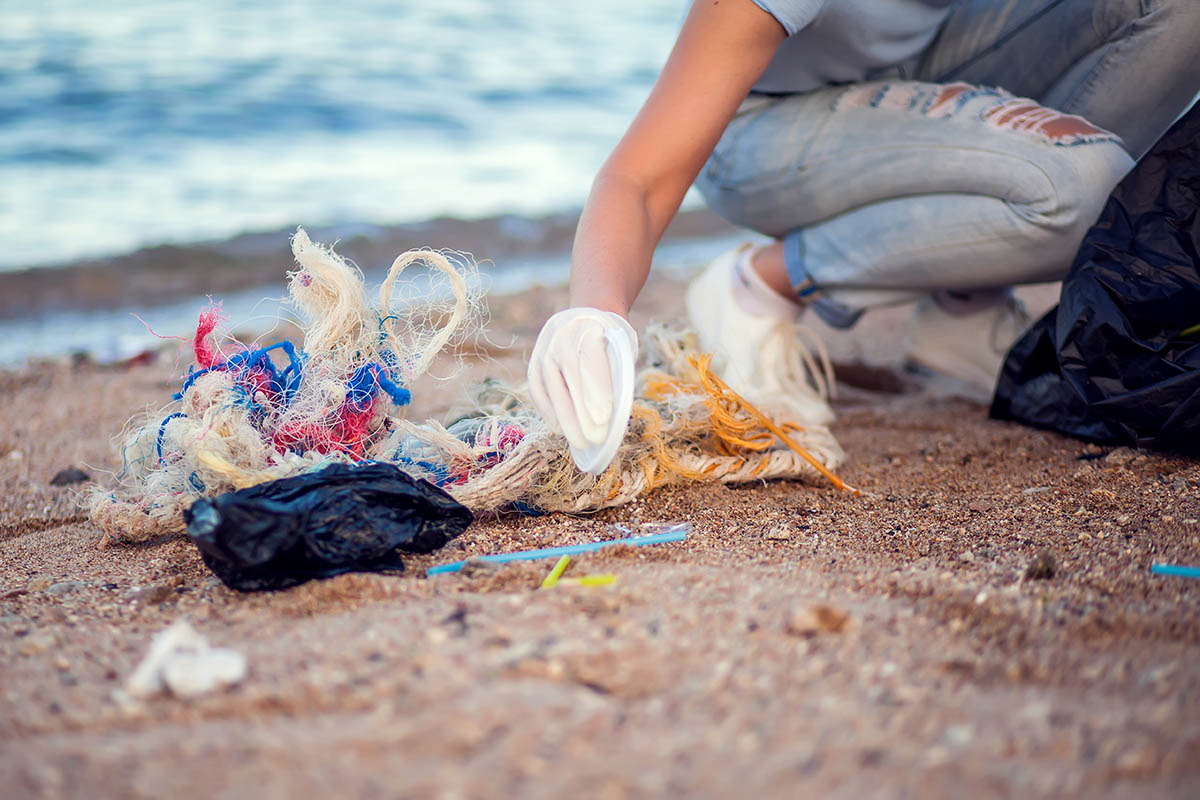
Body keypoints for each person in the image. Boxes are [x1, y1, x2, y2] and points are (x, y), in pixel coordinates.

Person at [527, 0, 1200, 474]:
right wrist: (595, 313)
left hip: (917, 71)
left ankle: (964, 312)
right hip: (760, 133)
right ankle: (761, 283)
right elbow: (638, 177)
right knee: (1087, 188)